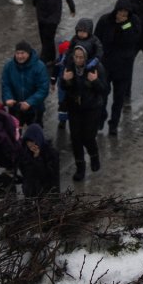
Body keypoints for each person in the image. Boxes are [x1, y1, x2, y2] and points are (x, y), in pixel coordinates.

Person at [58, 41, 108, 182]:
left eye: (81, 57)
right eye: (76, 57)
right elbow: (63, 86)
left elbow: (104, 90)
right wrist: (65, 80)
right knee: (75, 139)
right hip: (74, 107)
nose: (78, 60)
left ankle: (94, 155)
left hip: (92, 108)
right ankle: (80, 168)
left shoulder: (96, 67)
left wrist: (95, 81)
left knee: (88, 137)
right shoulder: (69, 66)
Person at [97, 0, 140, 135]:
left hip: (123, 67)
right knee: (102, 94)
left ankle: (113, 124)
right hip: (106, 65)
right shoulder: (105, 20)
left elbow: (133, 40)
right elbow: (97, 39)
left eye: (125, 11)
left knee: (119, 98)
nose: (122, 14)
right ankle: (101, 118)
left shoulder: (133, 22)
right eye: (120, 11)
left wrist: (124, 25)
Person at [0, 40, 50, 125]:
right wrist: (8, 98)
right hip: (15, 108)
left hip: (34, 108)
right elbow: (6, 84)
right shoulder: (9, 66)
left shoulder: (40, 67)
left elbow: (43, 89)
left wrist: (30, 102)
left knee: (35, 131)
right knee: (14, 131)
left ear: (28, 53)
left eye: (22, 53)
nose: (20, 56)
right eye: (17, 53)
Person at [18, 123, 60, 198]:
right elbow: (27, 174)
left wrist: (37, 158)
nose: (30, 144)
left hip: (47, 194)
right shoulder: (25, 153)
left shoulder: (51, 154)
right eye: (28, 142)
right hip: (31, 193)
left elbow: (49, 176)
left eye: (32, 141)